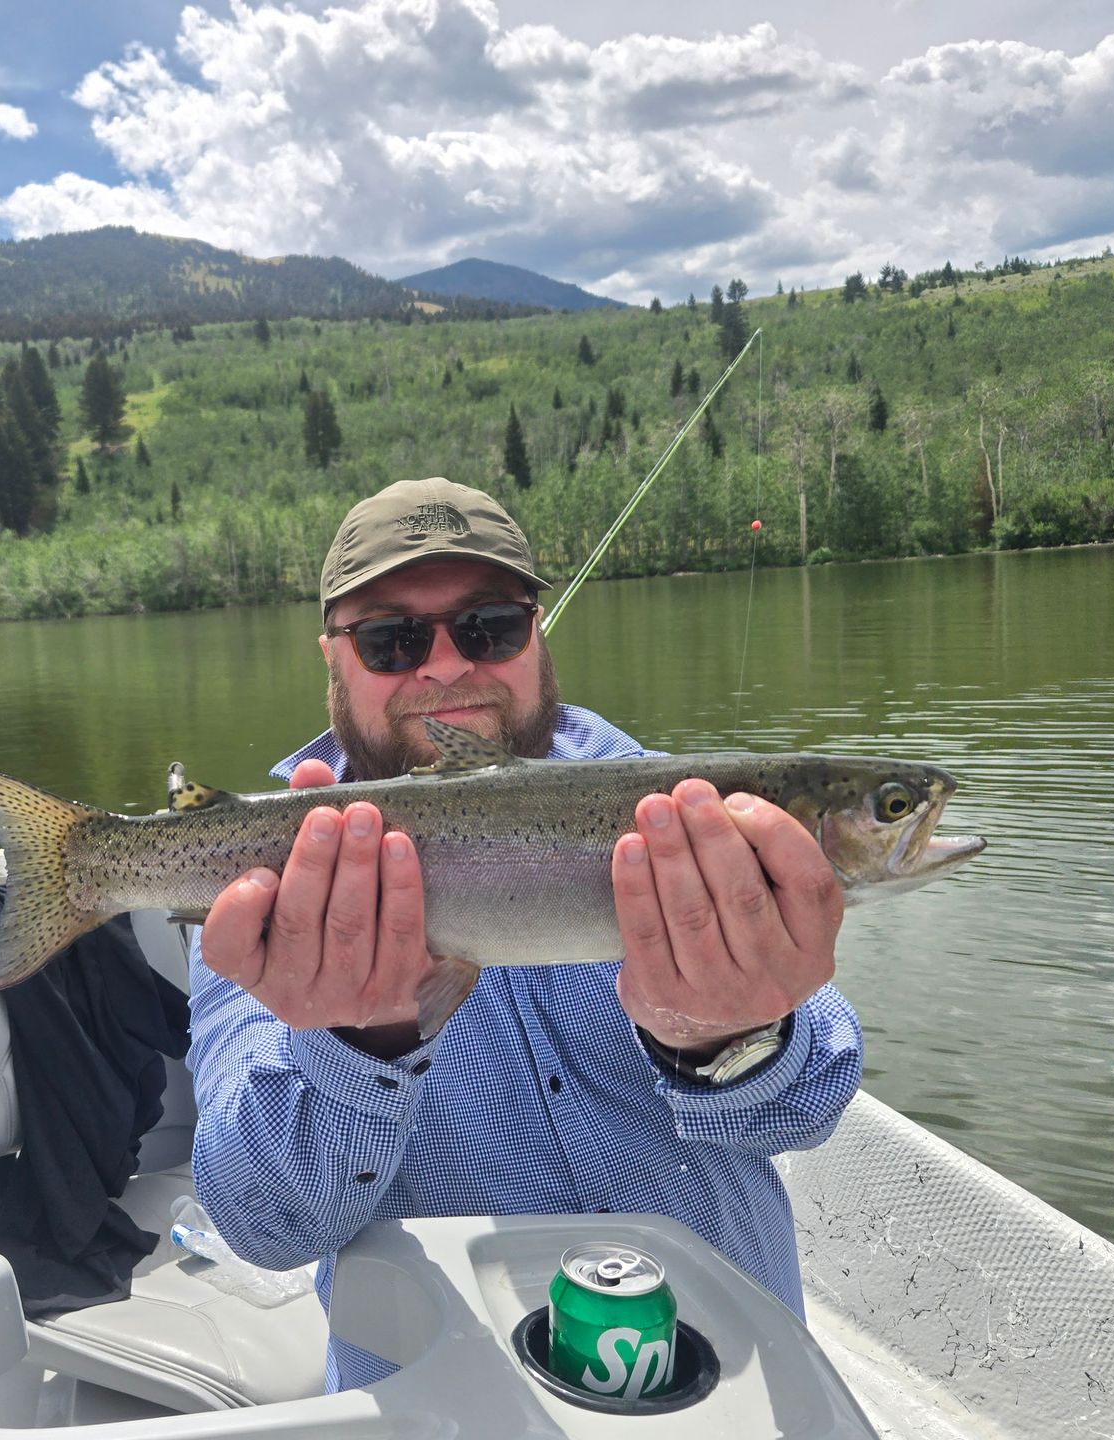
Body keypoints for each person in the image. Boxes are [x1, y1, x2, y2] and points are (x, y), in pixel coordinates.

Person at [185, 476, 863, 1390]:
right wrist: (357, 1042)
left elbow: (808, 1110)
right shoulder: (272, 873)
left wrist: (727, 1038)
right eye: (392, 639)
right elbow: (262, 1225)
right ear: (332, 659)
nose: (444, 668)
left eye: (488, 627)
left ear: (536, 633)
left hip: (728, 1385)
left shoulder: (681, 813)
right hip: (445, 1405)